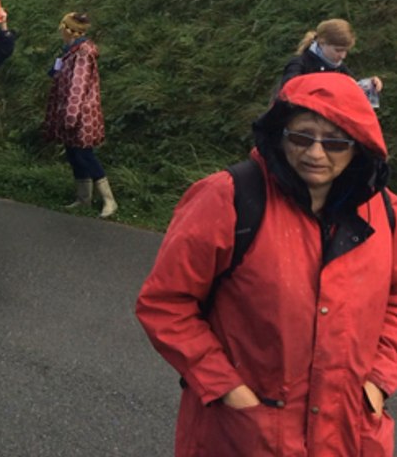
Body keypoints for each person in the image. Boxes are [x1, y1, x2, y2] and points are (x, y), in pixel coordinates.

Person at [136, 72, 397, 456]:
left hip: (349, 434)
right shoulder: (227, 198)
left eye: (336, 142)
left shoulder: (387, 212)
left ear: (359, 146)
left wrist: (376, 382)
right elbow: (165, 303)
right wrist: (228, 389)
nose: (315, 154)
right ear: (280, 134)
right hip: (245, 435)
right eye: (302, 136)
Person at [43, 11, 116, 217]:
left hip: (80, 113)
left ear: (70, 31)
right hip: (68, 110)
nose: (60, 32)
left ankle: (109, 201)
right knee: (73, 153)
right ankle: (83, 198)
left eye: (63, 28)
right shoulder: (69, 50)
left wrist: (71, 115)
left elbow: (78, 84)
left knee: (85, 154)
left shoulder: (83, 53)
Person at [280, 18, 383, 101]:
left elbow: (355, 94)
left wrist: (370, 86)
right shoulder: (299, 63)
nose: (343, 56)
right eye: (338, 50)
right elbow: (288, 90)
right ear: (322, 42)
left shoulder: (340, 67)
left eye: (346, 51)